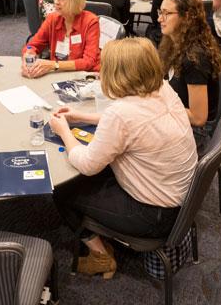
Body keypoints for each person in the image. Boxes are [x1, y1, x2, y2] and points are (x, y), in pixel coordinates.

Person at [48, 37, 197, 278]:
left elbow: (87, 165)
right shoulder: (163, 88)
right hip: (180, 199)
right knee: (97, 169)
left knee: (62, 188)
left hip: (152, 214)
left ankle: (100, 256)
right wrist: (83, 117)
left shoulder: (121, 114)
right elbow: (129, 123)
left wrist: (64, 131)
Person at [158, 0, 221, 151]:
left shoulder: (195, 58)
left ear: (186, 17)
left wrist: (158, 102)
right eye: (160, 12)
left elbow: (199, 118)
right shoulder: (173, 42)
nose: (160, 19)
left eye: (166, 14)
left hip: (195, 131)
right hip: (177, 115)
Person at [24, 0, 100, 77]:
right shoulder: (52, 19)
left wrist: (54, 65)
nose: (56, 2)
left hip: (85, 76)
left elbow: (88, 62)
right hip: (59, 74)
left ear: (75, 0)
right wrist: (28, 55)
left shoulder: (91, 21)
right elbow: (32, 45)